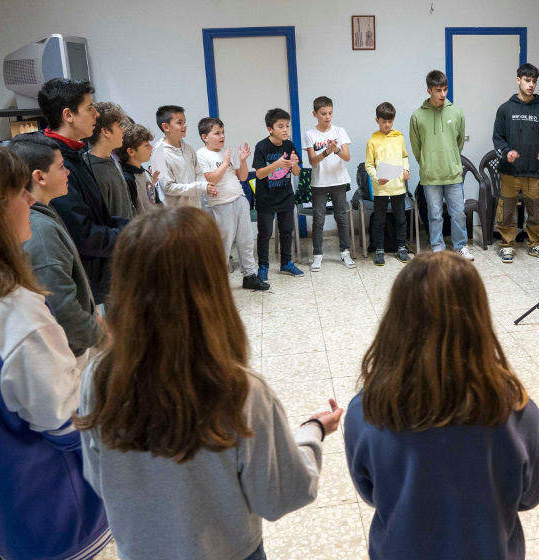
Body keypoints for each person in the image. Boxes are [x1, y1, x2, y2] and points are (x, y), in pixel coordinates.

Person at [76, 206, 342, 560]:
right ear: (211, 285)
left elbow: (98, 480)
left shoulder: (97, 378)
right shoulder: (240, 391)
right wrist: (312, 433)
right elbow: (280, 496)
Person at [0, 144, 110, 560]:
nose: (30, 199)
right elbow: (64, 422)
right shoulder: (17, 314)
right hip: (52, 513)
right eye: (18, 191)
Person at [344, 251, 539, 560]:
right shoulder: (516, 409)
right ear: (479, 321)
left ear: (397, 321)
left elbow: (370, 493)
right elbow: (529, 497)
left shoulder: (367, 409)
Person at [10, 134, 104, 358]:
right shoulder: (40, 230)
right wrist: (100, 336)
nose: (68, 172)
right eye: (61, 167)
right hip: (68, 352)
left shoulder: (45, 213)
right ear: (40, 177)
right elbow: (61, 306)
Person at [35, 78, 121, 305]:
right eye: (89, 108)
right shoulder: (55, 162)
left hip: (98, 272)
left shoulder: (75, 153)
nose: (96, 114)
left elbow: (97, 216)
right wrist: (136, 235)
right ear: (68, 115)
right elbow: (83, 234)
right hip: (82, 280)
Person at [491, 62, 539, 263]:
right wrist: (506, 152)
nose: (531, 85)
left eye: (534, 82)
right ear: (518, 80)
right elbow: (497, 137)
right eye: (527, 81)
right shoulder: (505, 108)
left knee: (536, 209)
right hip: (511, 171)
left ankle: (535, 243)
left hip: (535, 170)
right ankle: (506, 244)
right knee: (507, 209)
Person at [196, 117, 268, 292]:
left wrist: (242, 160)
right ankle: (218, 282)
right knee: (223, 244)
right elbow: (211, 178)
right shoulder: (201, 155)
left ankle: (249, 276)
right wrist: (227, 162)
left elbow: (242, 177)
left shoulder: (225, 152)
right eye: (217, 133)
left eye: (223, 133)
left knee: (246, 240)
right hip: (219, 204)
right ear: (205, 137)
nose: (222, 137)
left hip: (239, 199)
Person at [410, 70, 473, 261]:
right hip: (430, 176)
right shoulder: (417, 116)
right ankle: (437, 246)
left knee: (458, 214)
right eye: (438, 90)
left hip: (453, 173)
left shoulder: (456, 112)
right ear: (429, 90)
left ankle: (461, 246)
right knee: (435, 215)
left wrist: (452, 160)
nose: (443, 94)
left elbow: (459, 141)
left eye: (445, 89)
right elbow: (416, 147)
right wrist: (428, 164)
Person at [304, 96, 356, 271]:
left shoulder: (340, 131)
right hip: (319, 182)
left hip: (339, 180)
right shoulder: (310, 134)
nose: (327, 117)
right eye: (323, 113)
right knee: (318, 219)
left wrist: (337, 149)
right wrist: (326, 152)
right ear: (315, 114)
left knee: (341, 217)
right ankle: (317, 255)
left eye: (330, 113)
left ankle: (345, 253)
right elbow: (312, 161)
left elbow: (347, 157)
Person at [252, 108, 303, 280]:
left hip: (286, 196)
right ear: (270, 129)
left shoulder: (289, 145)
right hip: (266, 198)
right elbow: (259, 174)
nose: (285, 130)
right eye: (280, 126)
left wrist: (294, 164)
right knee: (265, 234)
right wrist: (277, 164)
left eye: (287, 126)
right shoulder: (261, 146)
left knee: (287, 231)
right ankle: (263, 266)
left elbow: (296, 172)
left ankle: (286, 263)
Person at [365, 101, 412, 265]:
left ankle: (401, 247)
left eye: (390, 121)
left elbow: (404, 157)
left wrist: (406, 170)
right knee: (380, 220)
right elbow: (369, 165)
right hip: (381, 188)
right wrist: (377, 177)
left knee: (400, 218)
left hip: (398, 186)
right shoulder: (372, 141)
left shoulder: (399, 137)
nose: (387, 125)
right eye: (383, 121)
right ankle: (379, 249)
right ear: (377, 120)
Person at [150, 104, 218, 208]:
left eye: (184, 122)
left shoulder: (188, 148)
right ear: (166, 127)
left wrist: (205, 186)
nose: (184, 126)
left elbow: (198, 172)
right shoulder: (159, 152)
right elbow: (168, 187)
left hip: (194, 207)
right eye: (179, 123)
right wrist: (199, 187)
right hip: (174, 213)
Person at [85, 101, 133, 219]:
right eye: (119, 126)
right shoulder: (91, 170)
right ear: (105, 131)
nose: (123, 130)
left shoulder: (112, 160)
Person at [114, 122, 162, 214]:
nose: (151, 148)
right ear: (131, 151)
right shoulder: (127, 179)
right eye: (146, 145)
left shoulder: (146, 173)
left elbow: (157, 202)